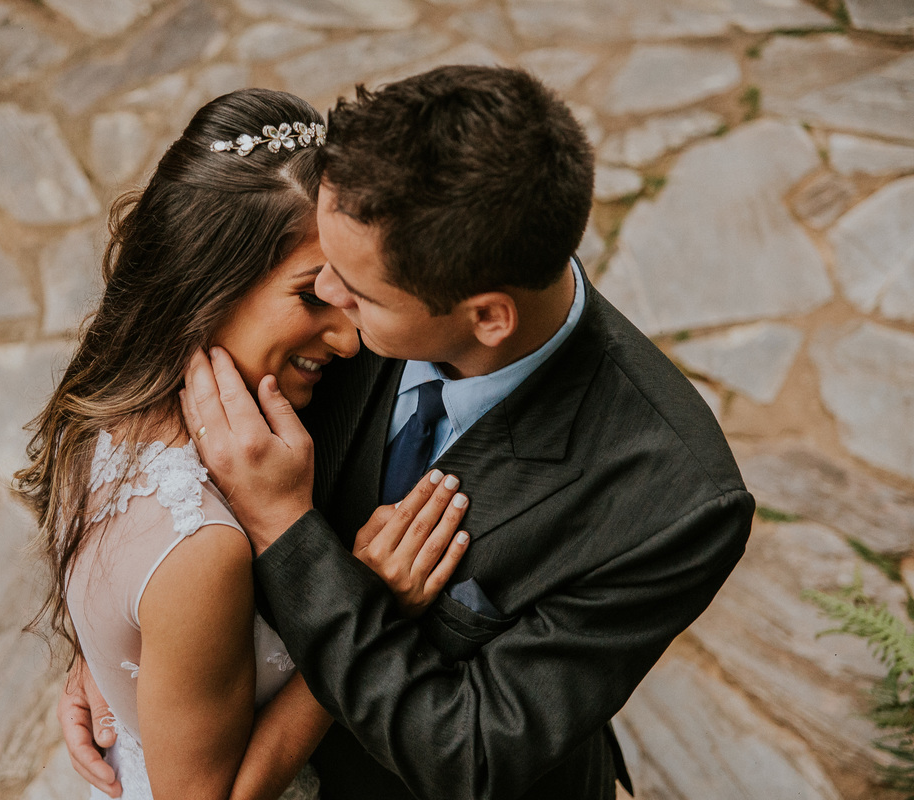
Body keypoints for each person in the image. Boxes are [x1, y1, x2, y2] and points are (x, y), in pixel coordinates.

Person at [64, 66, 755, 799]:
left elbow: (472, 756)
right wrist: (123, 654)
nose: (329, 295)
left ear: (486, 317)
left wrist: (285, 529)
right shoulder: (373, 232)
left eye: (356, 293)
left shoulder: (678, 503)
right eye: (320, 274)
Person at [20, 88, 472, 800]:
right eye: (312, 296)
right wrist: (364, 608)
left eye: (351, 293)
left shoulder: (103, 395)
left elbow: (132, 606)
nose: (351, 338)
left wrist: (111, 668)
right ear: (210, 282)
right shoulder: (203, 547)